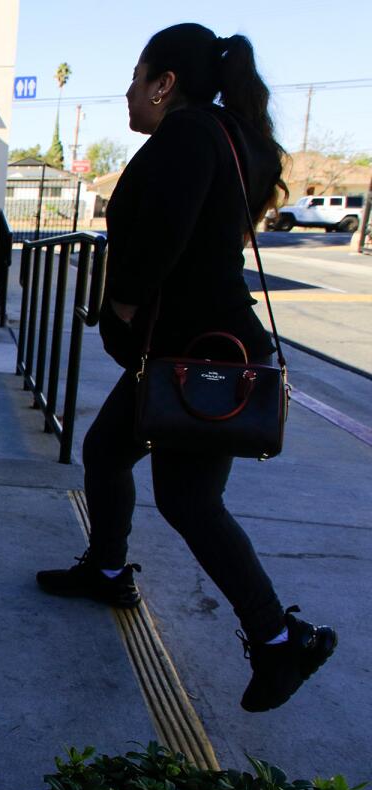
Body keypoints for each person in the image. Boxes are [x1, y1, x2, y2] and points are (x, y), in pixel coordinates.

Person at [35, 24, 336, 712]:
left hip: (203, 358)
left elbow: (157, 247)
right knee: (106, 449)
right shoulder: (225, 134)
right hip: (187, 349)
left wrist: (119, 307)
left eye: (138, 77)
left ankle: (279, 640)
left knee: (188, 499)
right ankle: (108, 567)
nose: (129, 92)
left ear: (165, 83)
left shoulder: (189, 136)